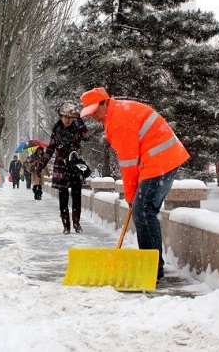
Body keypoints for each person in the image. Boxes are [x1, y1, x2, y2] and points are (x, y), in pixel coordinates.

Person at [79, 87, 190, 280]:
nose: (94, 116)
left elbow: (129, 163)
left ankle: (152, 268)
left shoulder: (119, 120)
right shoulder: (117, 113)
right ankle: (152, 266)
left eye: (96, 110)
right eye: (91, 113)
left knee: (143, 210)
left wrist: (131, 197)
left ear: (106, 102)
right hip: (161, 160)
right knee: (144, 211)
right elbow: (133, 159)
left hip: (161, 161)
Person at [37, 102, 90, 234]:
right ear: (60, 116)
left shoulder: (78, 127)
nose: (67, 120)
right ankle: (66, 225)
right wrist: (42, 164)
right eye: (64, 117)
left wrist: (80, 120)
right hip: (61, 165)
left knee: (77, 196)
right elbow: (50, 148)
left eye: (69, 117)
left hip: (75, 164)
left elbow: (87, 137)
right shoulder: (56, 129)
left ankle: (77, 223)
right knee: (63, 197)